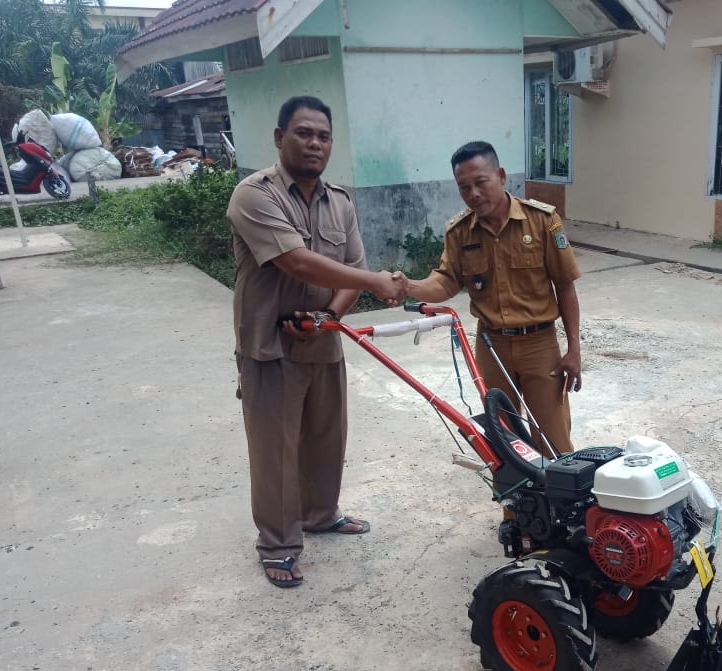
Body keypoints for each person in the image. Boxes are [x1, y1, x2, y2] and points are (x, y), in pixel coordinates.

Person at [227, 95, 408, 588]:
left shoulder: (341, 202)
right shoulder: (254, 195)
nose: (314, 143)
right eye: (304, 133)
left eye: (323, 136)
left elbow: (347, 271)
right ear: (279, 137)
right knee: (276, 451)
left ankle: (321, 513)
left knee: (327, 439)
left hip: (322, 339)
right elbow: (297, 261)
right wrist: (376, 281)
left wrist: (328, 314)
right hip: (269, 345)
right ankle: (279, 545)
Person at [405, 141, 582, 456]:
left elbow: (565, 286)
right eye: (464, 187)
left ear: (500, 176)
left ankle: (559, 506)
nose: (473, 193)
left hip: (539, 346)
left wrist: (574, 349)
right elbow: (445, 282)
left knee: (553, 443)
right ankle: (516, 508)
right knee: (505, 444)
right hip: (491, 346)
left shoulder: (542, 221)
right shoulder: (459, 232)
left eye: (480, 182)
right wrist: (408, 286)